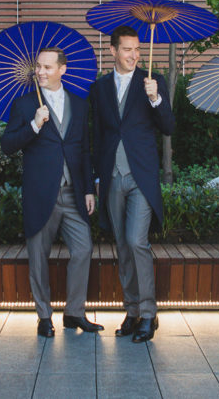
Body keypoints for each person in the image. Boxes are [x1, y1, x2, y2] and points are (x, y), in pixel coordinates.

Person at [0, 47, 103, 337]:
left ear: (62, 70)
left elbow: (84, 150)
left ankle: (74, 313)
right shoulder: (24, 105)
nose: (40, 72)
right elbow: (7, 145)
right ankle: (44, 316)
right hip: (40, 193)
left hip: (73, 193)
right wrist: (34, 124)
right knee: (38, 256)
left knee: (83, 249)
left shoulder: (79, 105)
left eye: (47, 67)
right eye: (38, 67)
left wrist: (88, 189)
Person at [90, 25, 174, 343]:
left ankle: (149, 315)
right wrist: (96, 177)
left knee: (137, 241)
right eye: (127, 49)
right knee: (122, 246)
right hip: (112, 177)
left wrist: (155, 99)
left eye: (138, 49)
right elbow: (97, 136)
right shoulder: (99, 89)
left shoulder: (153, 82)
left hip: (141, 177)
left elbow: (168, 127)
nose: (134, 55)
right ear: (112, 51)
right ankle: (132, 310)